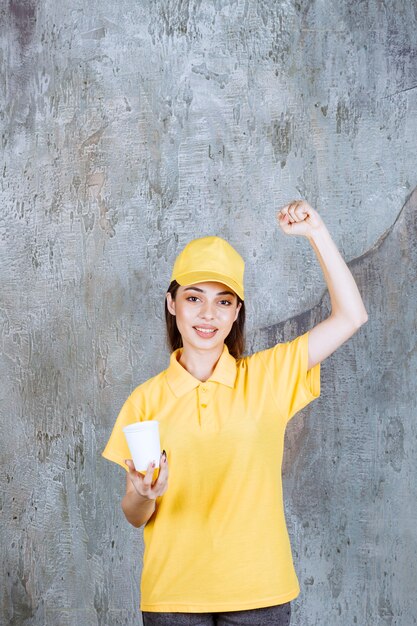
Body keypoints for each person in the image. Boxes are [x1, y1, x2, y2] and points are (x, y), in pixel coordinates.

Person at [101, 200, 368, 626]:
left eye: (224, 302)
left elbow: (351, 316)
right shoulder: (144, 400)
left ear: (237, 312)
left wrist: (317, 232)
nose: (208, 314)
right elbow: (135, 516)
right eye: (194, 298)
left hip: (260, 592)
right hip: (173, 597)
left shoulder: (269, 376)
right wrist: (144, 494)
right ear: (173, 304)